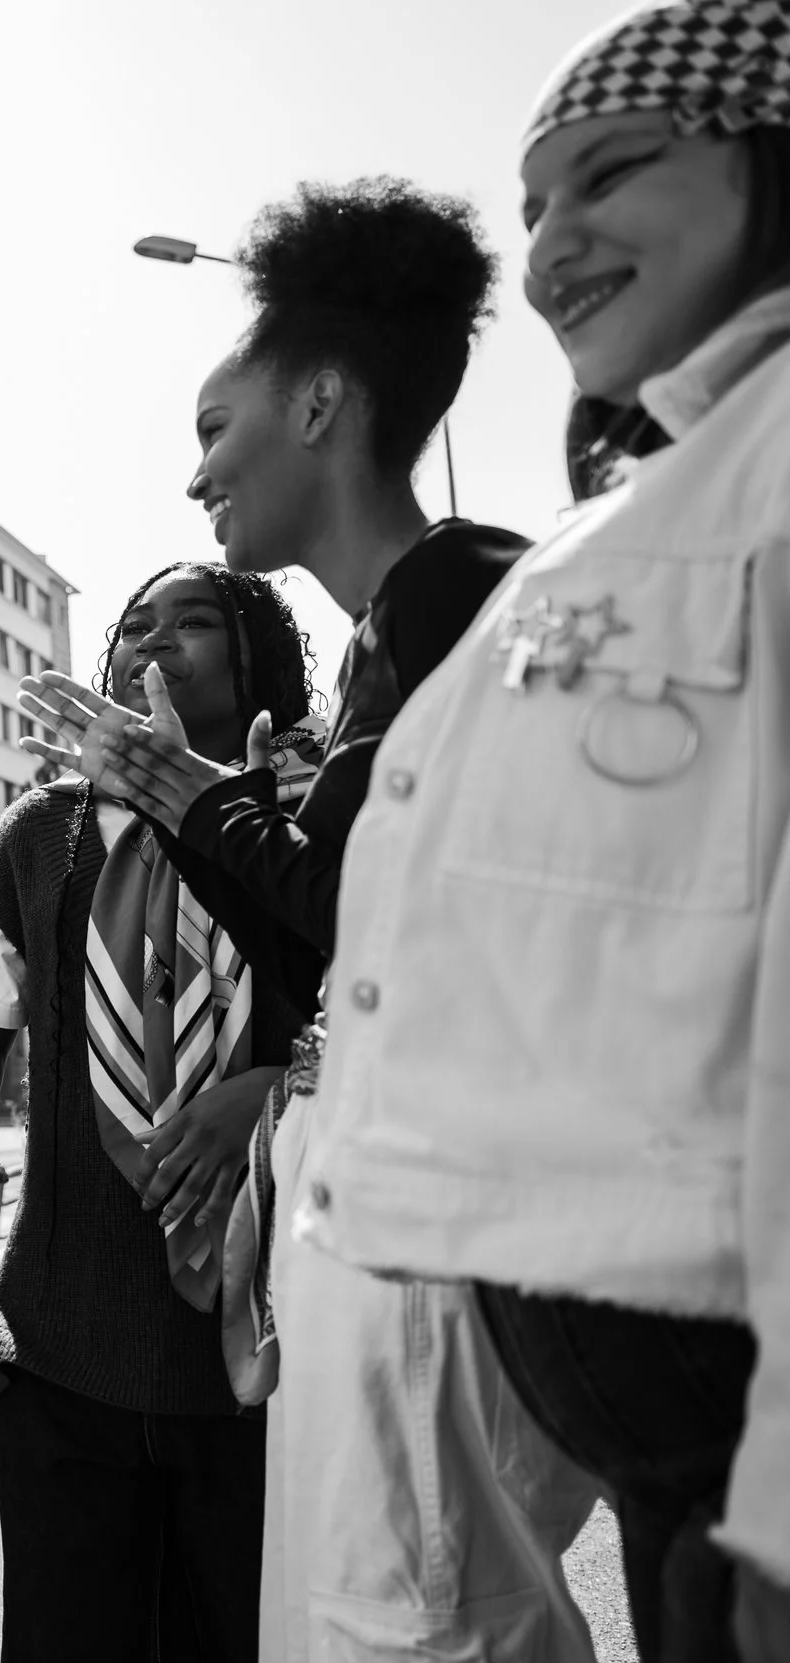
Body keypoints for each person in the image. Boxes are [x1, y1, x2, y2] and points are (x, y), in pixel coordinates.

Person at [15, 182, 602, 1658]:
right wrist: (186, 798)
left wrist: (178, 789)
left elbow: (384, 928)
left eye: (217, 429)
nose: (197, 477)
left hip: (454, 1246)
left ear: (322, 405)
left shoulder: (459, 590)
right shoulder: (383, 647)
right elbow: (330, 937)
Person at [277, 6, 790, 1658]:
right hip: (667, 1444)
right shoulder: (660, 498)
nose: (553, 243)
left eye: (613, 172)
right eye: (536, 202)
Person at [0, 567, 318, 1662]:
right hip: (64, 1342)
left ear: (257, 661)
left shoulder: (305, 824)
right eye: (136, 625)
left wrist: (271, 1086)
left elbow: (380, 1017)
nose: (156, 642)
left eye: (195, 622)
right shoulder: (39, 833)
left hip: (264, 1349)